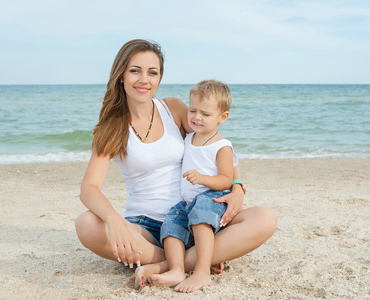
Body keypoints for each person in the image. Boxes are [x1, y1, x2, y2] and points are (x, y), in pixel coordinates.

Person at [74, 39, 277, 291]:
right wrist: (114, 221)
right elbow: (89, 188)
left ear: (160, 77)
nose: (143, 80)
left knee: (265, 218)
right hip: (145, 228)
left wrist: (236, 187)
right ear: (121, 74)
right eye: (135, 70)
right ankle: (195, 259)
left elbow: (215, 145)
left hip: (195, 216)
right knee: (86, 224)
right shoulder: (111, 128)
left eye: (152, 72)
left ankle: (167, 265)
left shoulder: (172, 108)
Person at [149, 80, 238, 293]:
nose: (197, 117)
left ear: (222, 117)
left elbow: (226, 179)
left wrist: (203, 178)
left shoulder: (222, 146)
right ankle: (177, 269)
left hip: (212, 197)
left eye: (205, 114)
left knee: (200, 215)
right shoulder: (189, 138)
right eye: (193, 110)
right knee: (170, 225)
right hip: (188, 202)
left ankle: (202, 272)